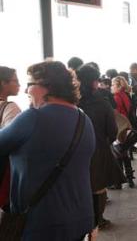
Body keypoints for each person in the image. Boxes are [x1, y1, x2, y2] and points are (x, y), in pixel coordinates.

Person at [0, 61, 96, 240]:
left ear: (47, 86)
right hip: (82, 218)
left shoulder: (32, 118)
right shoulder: (84, 120)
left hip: (42, 222)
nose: (25, 90)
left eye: (29, 84)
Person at [76, 64, 125, 232]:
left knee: (80, 185)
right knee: (98, 187)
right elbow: (112, 131)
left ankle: (82, 219)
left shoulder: (71, 102)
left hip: (74, 153)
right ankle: (98, 220)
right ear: (94, 82)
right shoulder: (101, 102)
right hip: (97, 149)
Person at [0, 66, 21, 210]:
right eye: (15, 81)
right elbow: (15, 139)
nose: (19, 85)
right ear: (3, 83)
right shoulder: (10, 107)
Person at [111, 76, 136, 188]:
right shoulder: (126, 95)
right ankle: (130, 178)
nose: (111, 87)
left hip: (119, 127)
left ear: (118, 86)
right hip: (126, 125)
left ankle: (119, 182)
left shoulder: (116, 97)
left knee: (118, 153)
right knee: (124, 152)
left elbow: (115, 113)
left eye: (113, 85)